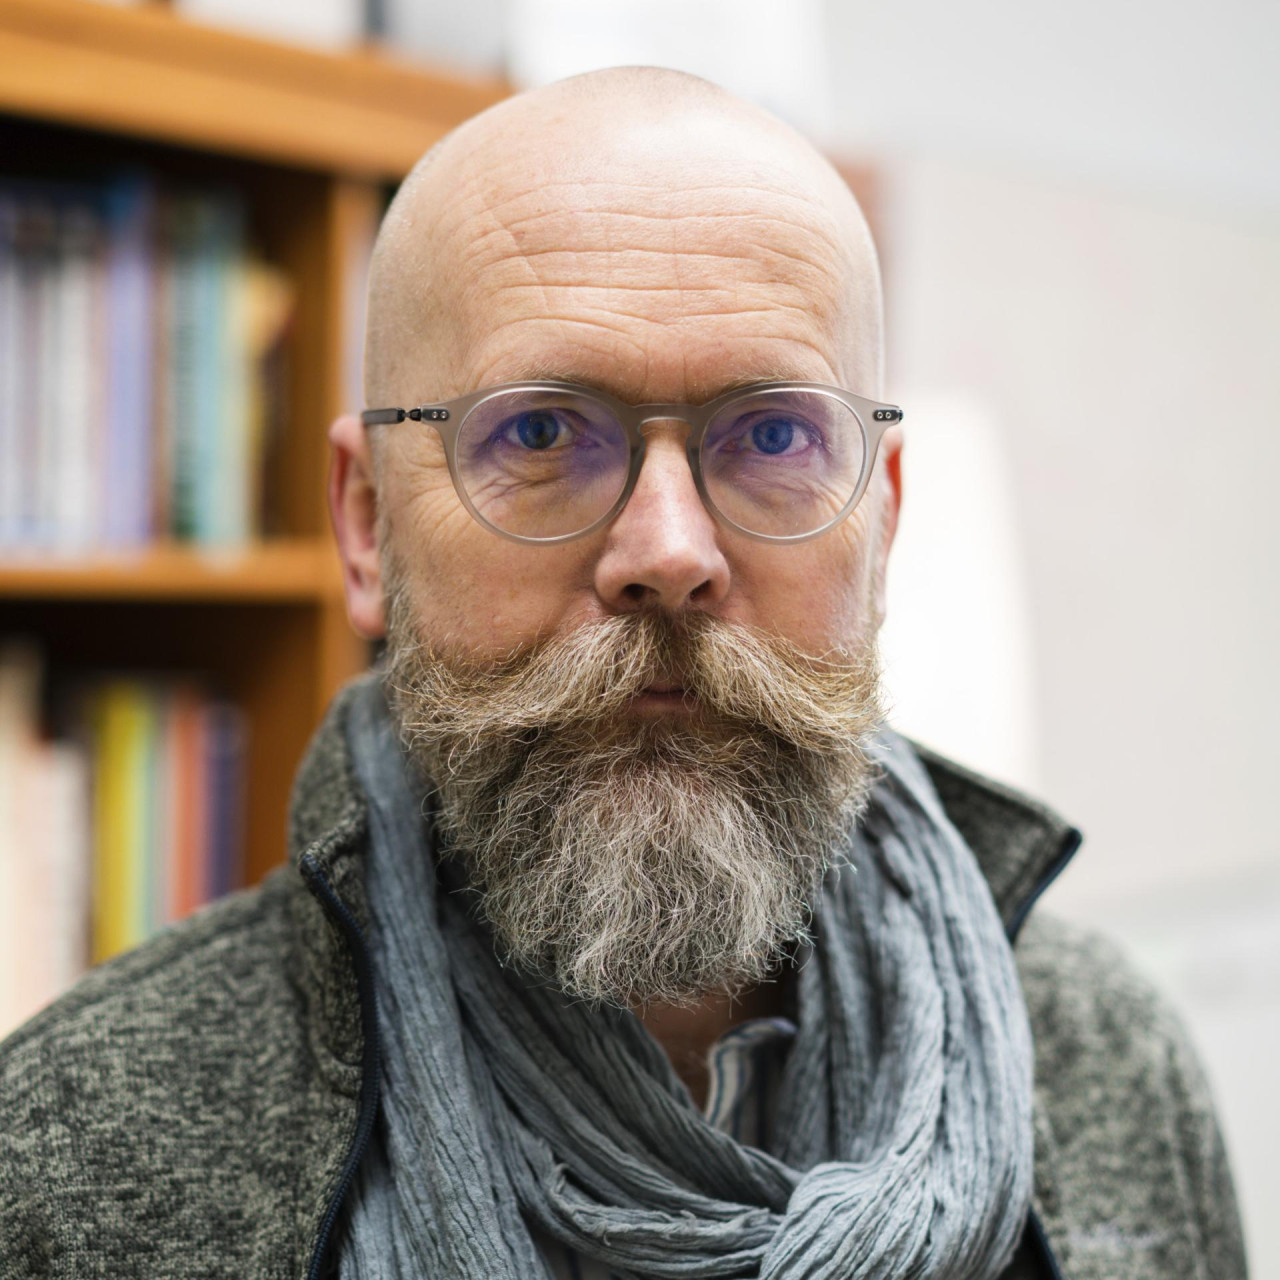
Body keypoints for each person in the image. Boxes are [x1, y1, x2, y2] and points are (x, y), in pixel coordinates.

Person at [0, 67, 1249, 1280]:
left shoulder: (1103, 1059)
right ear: (368, 521)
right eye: (539, 431)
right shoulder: (74, 1150)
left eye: (772, 434)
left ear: (881, 526)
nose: (667, 554)